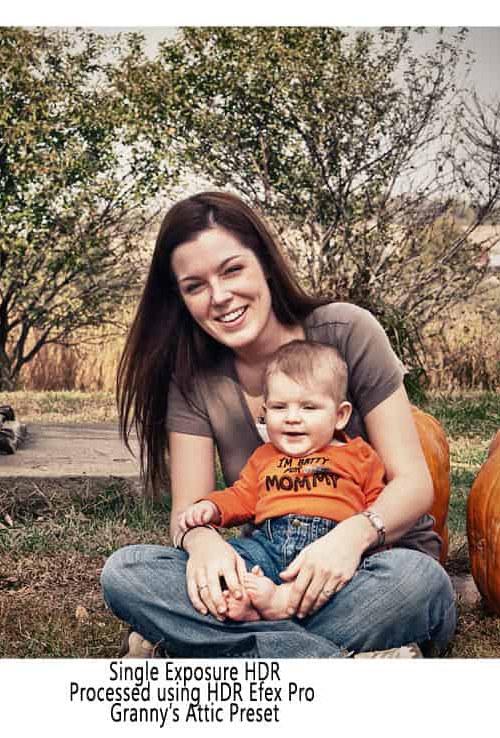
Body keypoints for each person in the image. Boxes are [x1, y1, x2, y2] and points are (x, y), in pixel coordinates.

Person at [101, 191, 456, 658]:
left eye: (232, 270)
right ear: (182, 299)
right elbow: (190, 512)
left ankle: (206, 648)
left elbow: (413, 484)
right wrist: (204, 544)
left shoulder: (347, 333)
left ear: (264, 263)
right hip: (267, 575)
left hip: (371, 566)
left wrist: (352, 539)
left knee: (419, 582)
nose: (220, 297)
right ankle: (336, 663)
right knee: (126, 571)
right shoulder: (191, 378)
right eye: (195, 286)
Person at [177, 340, 386, 622]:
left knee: (408, 575)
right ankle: (264, 609)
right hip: (267, 549)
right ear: (265, 411)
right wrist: (212, 507)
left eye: (308, 407)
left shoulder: (359, 455)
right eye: (279, 407)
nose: (292, 419)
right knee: (140, 567)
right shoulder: (264, 457)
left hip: (331, 557)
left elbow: (378, 504)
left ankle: (269, 612)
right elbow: (242, 496)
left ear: (340, 415)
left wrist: (375, 551)